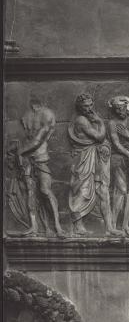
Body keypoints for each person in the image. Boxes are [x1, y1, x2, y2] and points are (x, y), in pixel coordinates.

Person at [7, 96, 66, 237]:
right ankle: (34, 226)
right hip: (27, 160)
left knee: (45, 190)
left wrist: (20, 152)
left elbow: (38, 140)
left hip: (40, 158)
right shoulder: (26, 116)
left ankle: (58, 226)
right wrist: (16, 152)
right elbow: (25, 138)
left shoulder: (47, 114)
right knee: (30, 193)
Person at [68, 93, 122, 236]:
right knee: (83, 191)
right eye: (86, 106)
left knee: (104, 192)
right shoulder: (81, 120)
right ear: (80, 107)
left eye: (91, 105)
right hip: (84, 159)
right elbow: (99, 136)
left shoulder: (88, 119)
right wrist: (99, 121)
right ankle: (78, 225)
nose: (89, 108)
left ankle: (109, 227)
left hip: (96, 159)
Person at [107, 95, 129, 234]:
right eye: (117, 109)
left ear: (126, 108)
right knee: (120, 191)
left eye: (122, 108)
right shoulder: (112, 123)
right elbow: (115, 143)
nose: (120, 111)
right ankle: (113, 225)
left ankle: (125, 225)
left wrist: (127, 135)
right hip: (119, 158)